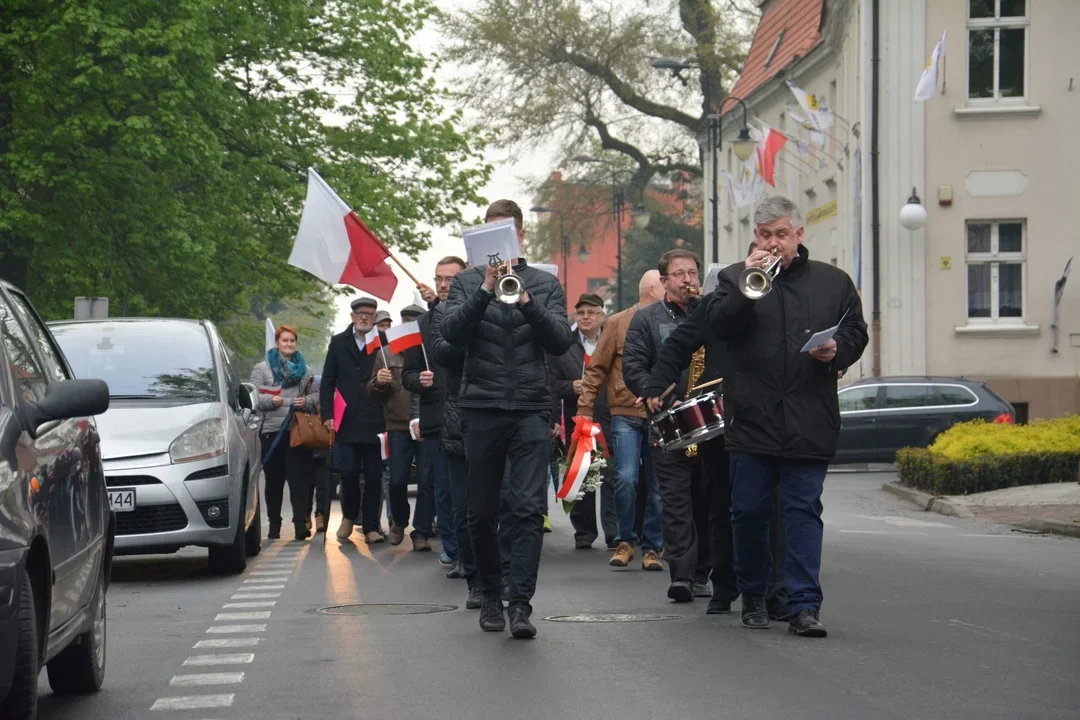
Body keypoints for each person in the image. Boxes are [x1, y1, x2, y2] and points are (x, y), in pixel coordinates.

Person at [707, 195, 868, 637]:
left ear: (800, 234)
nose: (773, 243)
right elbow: (720, 328)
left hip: (808, 417)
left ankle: (803, 606)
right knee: (749, 512)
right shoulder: (733, 278)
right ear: (754, 237)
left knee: (801, 512)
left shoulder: (833, 282)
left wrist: (839, 351)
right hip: (752, 419)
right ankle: (755, 594)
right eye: (765, 235)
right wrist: (745, 284)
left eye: (781, 234)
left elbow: (856, 330)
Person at [441, 199, 573, 639]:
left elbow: (558, 342)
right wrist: (484, 289)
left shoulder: (544, 283)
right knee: (481, 511)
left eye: (507, 232)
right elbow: (452, 335)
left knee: (529, 508)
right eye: (492, 231)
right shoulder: (464, 283)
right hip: (481, 407)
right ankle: (490, 594)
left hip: (532, 407)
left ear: (519, 236)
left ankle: (521, 605)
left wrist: (528, 301)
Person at [623, 249, 713, 603]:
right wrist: (654, 392)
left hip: (710, 420)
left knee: (707, 498)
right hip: (668, 420)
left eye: (692, 273)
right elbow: (633, 366)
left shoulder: (711, 314)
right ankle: (683, 575)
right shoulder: (646, 320)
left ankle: (705, 571)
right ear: (664, 282)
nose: (688, 280)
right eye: (680, 274)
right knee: (674, 501)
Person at [578, 272, 665, 572]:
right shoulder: (616, 323)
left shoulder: (670, 319)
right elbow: (596, 369)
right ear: (655, 288)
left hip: (661, 414)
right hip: (625, 414)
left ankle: (652, 546)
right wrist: (585, 408)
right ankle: (626, 540)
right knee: (626, 478)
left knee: (656, 485)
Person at [403, 261, 465, 573]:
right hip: (437, 418)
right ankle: (453, 551)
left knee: (476, 489)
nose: (443, 284)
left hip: (474, 416)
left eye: (450, 279)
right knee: (444, 488)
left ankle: (477, 550)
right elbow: (408, 374)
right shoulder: (421, 325)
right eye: (438, 279)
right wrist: (418, 380)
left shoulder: (478, 318)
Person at [549, 293, 617, 550]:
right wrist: (571, 386)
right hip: (576, 418)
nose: (586, 317)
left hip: (608, 415)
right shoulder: (564, 345)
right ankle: (585, 531)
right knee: (580, 473)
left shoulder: (613, 339)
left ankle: (614, 533)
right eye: (581, 313)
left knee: (610, 474)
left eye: (591, 312)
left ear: (602, 315)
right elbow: (551, 383)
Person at [321, 297, 387, 544]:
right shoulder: (338, 342)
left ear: (375, 317)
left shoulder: (382, 343)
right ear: (352, 317)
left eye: (369, 314)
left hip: (376, 419)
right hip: (346, 420)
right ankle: (348, 516)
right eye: (360, 313)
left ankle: (371, 526)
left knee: (373, 476)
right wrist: (327, 414)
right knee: (347, 473)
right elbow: (328, 380)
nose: (364, 317)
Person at [370, 307, 435, 552]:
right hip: (397, 426)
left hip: (428, 425)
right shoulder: (386, 354)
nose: (411, 327)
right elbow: (373, 392)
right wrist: (378, 382)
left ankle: (421, 532)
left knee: (428, 481)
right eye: (406, 322)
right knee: (397, 480)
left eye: (415, 322)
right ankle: (398, 520)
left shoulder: (431, 352)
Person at [251, 325, 319, 541]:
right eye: (284, 340)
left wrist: (306, 401)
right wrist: (270, 400)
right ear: (277, 342)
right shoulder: (262, 369)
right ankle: (274, 525)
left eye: (292, 341)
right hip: (271, 432)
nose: (288, 344)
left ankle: (300, 524)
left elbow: (317, 396)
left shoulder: (306, 370)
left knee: (300, 481)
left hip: (298, 431)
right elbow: (252, 397)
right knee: (273, 482)